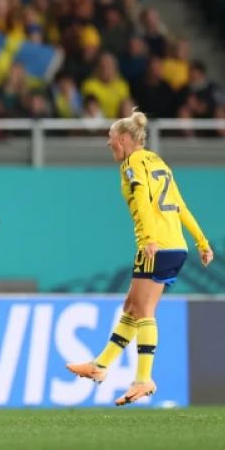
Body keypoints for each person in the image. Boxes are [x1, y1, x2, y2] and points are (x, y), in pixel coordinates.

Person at [67, 111, 213, 405]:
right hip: (176, 246)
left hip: (156, 245)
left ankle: (143, 379)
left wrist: (147, 239)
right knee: (131, 306)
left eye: (110, 138)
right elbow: (180, 205)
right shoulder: (158, 162)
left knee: (144, 310)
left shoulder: (132, 163)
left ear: (123, 139)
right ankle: (100, 365)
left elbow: (144, 200)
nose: (108, 144)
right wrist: (201, 241)